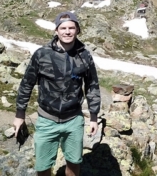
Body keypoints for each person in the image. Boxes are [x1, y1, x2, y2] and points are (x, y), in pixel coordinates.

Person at [14, 11, 101, 176]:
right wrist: (20, 114)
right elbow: (27, 83)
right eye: (63, 28)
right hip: (47, 119)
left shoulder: (84, 56)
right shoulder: (42, 54)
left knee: (74, 162)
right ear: (56, 31)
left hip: (74, 119)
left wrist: (94, 117)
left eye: (71, 28)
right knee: (42, 165)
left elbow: (92, 86)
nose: (67, 32)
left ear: (77, 30)